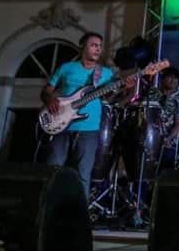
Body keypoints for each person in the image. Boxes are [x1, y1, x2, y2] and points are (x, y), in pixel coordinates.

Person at [40, 32, 133, 197]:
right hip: (60, 125)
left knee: (83, 174)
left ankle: (79, 214)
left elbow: (108, 98)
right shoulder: (66, 67)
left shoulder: (105, 73)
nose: (98, 49)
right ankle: (45, 208)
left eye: (100, 46)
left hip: (89, 129)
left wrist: (124, 88)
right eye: (93, 45)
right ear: (83, 46)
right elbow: (47, 91)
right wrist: (49, 100)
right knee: (52, 170)